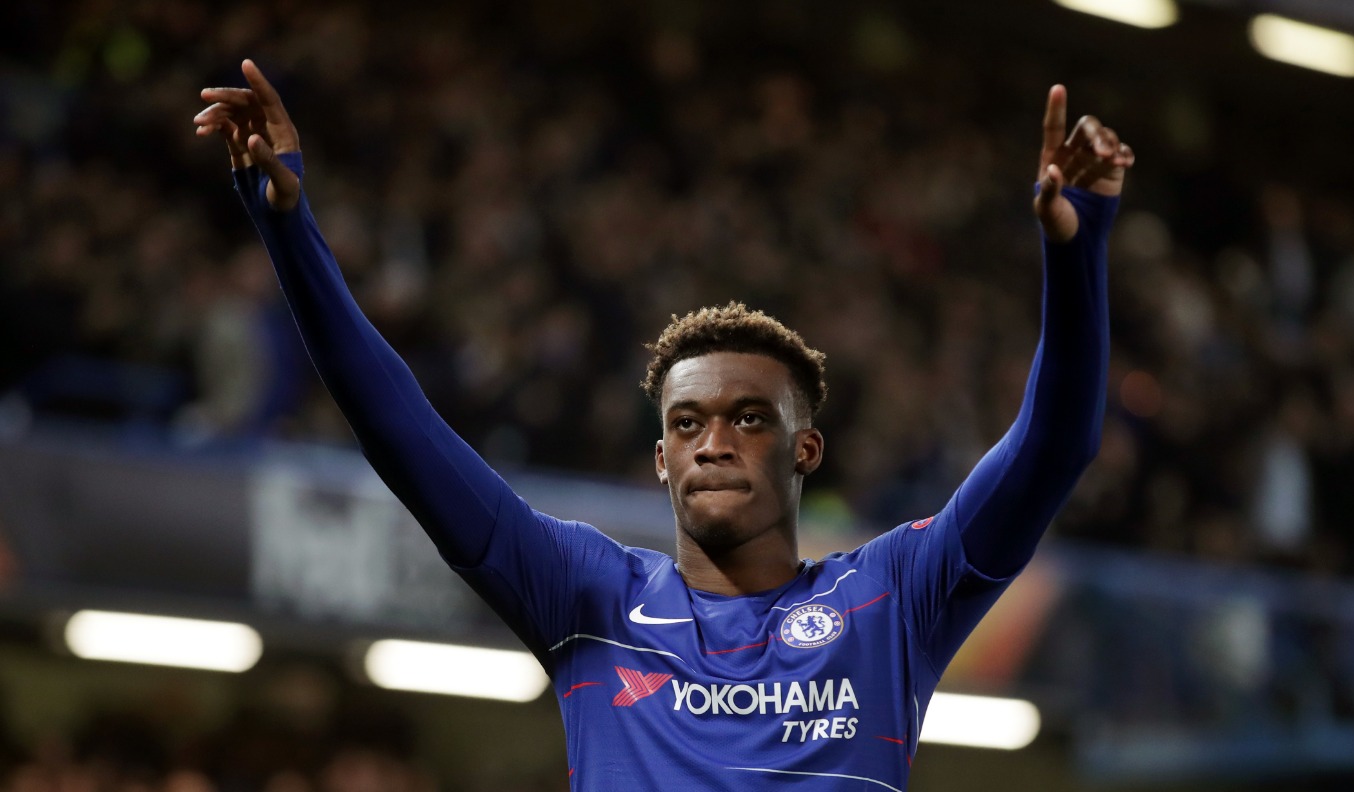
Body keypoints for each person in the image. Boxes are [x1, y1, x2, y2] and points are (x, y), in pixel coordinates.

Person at [194, 59, 1132, 791]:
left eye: (749, 419)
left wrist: (1076, 251)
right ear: (661, 457)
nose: (713, 442)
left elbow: (1054, 448)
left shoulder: (893, 597)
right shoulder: (585, 596)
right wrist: (289, 229)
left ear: (806, 448)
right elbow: (400, 431)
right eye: (687, 423)